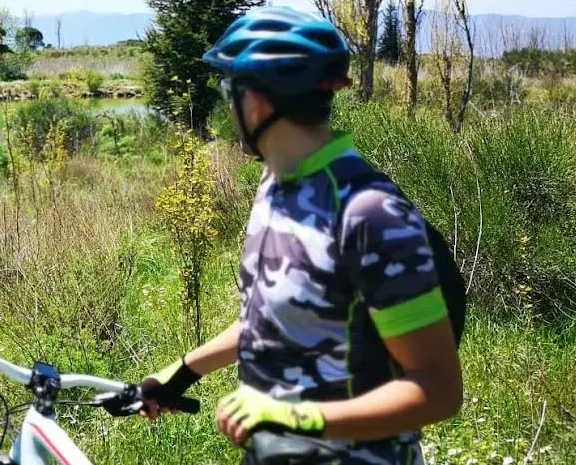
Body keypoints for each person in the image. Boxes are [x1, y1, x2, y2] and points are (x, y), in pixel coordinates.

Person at [139, 6, 463, 464]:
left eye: (228, 89)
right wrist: (182, 372)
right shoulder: (274, 187)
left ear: (256, 102)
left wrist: (296, 417)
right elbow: (277, 316)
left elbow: (439, 390)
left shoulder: (369, 215)